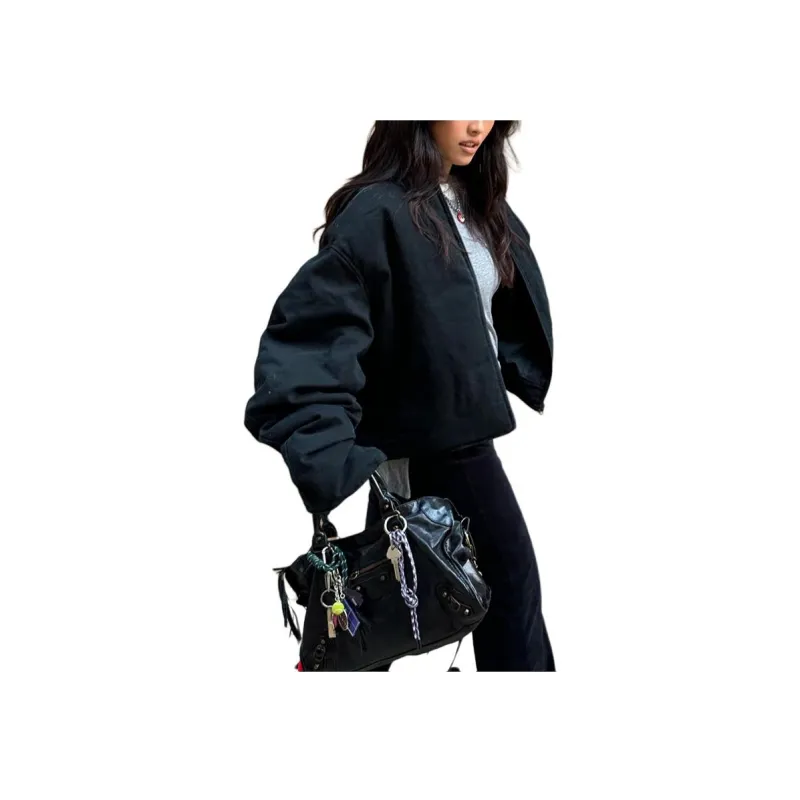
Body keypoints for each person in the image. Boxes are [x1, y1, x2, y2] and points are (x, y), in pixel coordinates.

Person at [244, 121, 555, 671]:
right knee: (508, 595)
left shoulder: (474, 201)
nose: (477, 126)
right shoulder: (378, 211)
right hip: (436, 443)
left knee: (380, 607)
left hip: (448, 429)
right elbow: (314, 331)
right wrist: (326, 448)